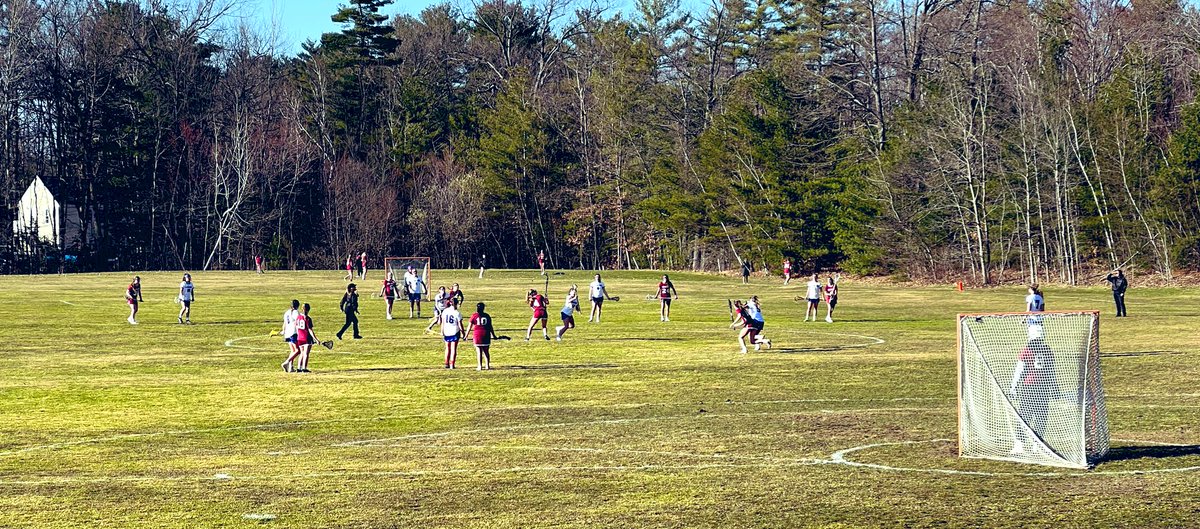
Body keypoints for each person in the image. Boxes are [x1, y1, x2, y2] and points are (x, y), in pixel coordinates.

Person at [1009, 323, 1054, 454]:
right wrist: (1054, 386)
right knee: (1040, 416)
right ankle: (1036, 444)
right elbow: (1052, 371)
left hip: (1029, 387)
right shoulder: (1047, 350)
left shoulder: (1027, 351)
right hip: (1043, 388)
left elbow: (1019, 370)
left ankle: (1020, 444)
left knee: (1025, 415)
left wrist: (1013, 386)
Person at [468, 302, 500, 370]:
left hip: (477, 335)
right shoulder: (487, 316)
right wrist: (493, 335)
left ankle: (479, 366)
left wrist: (466, 335)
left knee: (479, 351)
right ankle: (487, 365)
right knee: (486, 351)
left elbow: (469, 327)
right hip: (486, 334)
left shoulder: (474, 316)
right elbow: (490, 327)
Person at [440, 298, 465, 369]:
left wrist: (442, 331)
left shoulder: (445, 311)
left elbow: (443, 322)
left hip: (447, 331)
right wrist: (463, 333)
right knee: (453, 349)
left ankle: (446, 363)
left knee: (447, 348)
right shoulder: (457, 313)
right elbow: (460, 325)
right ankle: (452, 364)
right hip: (454, 332)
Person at [281, 299, 301, 372]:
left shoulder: (286, 313)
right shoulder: (296, 312)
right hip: (293, 332)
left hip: (287, 333)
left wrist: (283, 331)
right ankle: (286, 362)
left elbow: (285, 323)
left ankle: (290, 367)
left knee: (293, 350)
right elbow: (297, 322)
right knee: (298, 351)